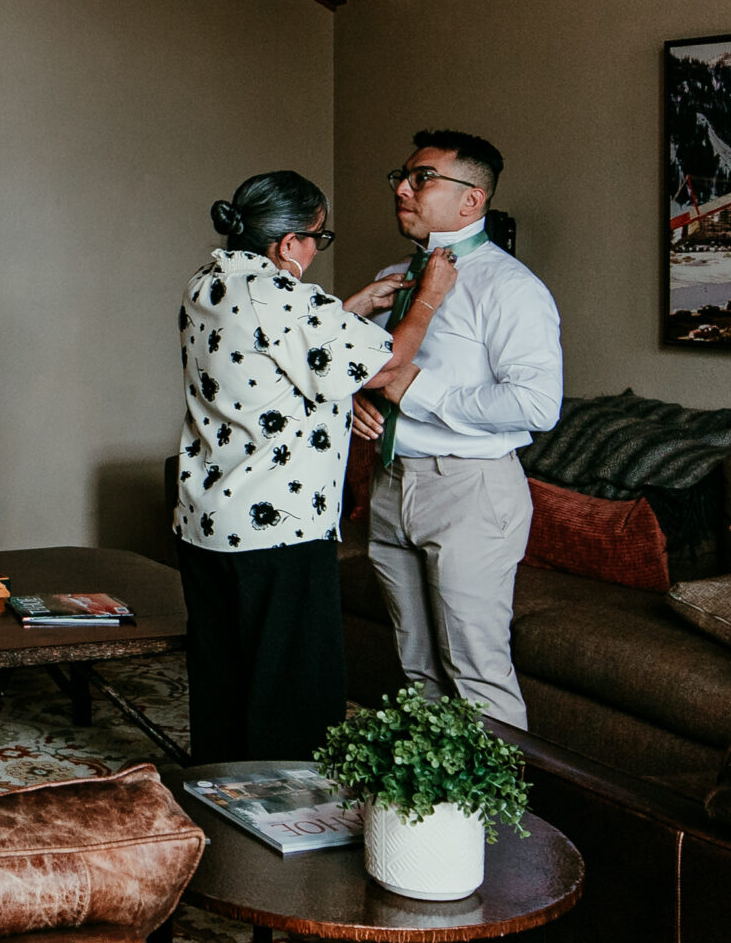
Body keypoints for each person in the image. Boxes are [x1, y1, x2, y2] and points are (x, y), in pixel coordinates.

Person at [173, 170, 457, 762]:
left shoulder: (208, 281)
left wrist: (352, 305)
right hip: (279, 525)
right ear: (288, 244)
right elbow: (386, 366)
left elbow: (272, 347)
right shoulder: (289, 299)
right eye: (316, 240)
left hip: (209, 520)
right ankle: (286, 824)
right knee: (292, 690)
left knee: (225, 678)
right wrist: (427, 298)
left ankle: (218, 797)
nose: (315, 251)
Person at [347, 130, 562, 729]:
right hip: (392, 483)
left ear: (472, 200)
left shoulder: (511, 288)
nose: (402, 188)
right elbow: (366, 369)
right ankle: (433, 821)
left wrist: (413, 391)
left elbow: (537, 404)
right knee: (416, 668)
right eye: (402, 175)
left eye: (422, 178)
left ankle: (502, 824)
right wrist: (362, 404)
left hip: (469, 489)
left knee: (476, 672)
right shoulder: (395, 278)